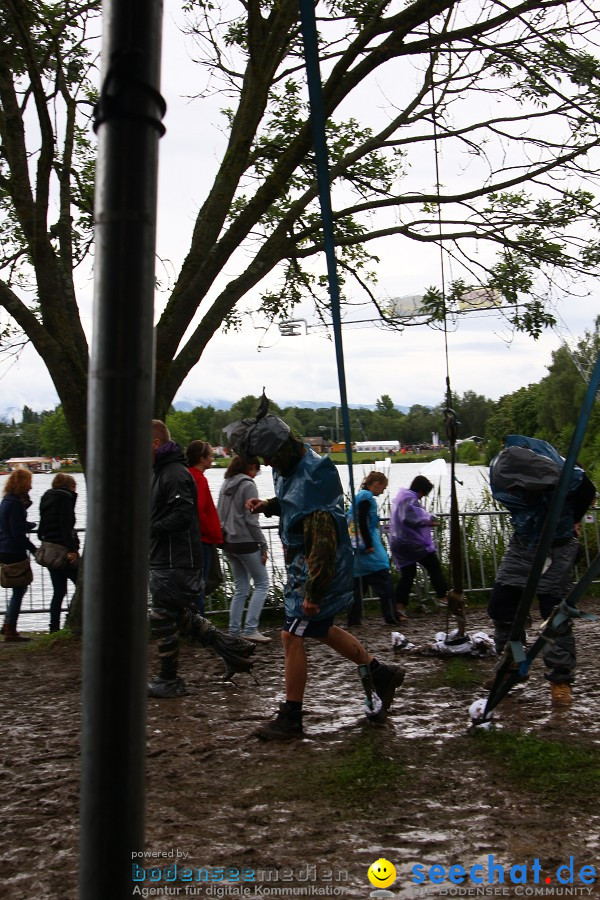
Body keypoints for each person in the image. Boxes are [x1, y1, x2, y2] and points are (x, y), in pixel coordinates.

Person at [224, 400, 405, 741]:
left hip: (317, 570)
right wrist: (269, 505)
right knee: (320, 630)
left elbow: (322, 541)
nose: (264, 464)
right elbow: (294, 502)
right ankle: (381, 672)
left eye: (267, 458)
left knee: (291, 636)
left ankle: (291, 717)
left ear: (280, 450)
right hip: (306, 567)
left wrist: (314, 592)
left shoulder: (312, 478)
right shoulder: (292, 466)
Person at [148, 420, 255, 698]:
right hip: (167, 557)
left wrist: (146, 529)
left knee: (161, 616)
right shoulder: (161, 472)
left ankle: (169, 679)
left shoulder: (174, 474)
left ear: (155, 444)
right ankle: (233, 649)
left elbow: (183, 516)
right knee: (178, 615)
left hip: (177, 559)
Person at [487, 434, 596, 706]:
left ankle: (560, 680)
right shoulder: (505, 470)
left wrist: (572, 519)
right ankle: (511, 662)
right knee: (501, 606)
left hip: (557, 549)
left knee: (555, 615)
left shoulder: (569, 480)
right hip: (523, 546)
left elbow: (588, 491)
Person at [217, 455, 271, 643]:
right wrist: (263, 545)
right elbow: (251, 520)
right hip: (246, 542)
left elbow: (219, 514)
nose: (256, 475)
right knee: (263, 583)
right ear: (251, 467)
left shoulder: (226, 483)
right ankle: (250, 628)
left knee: (241, 588)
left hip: (228, 542)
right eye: (257, 470)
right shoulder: (248, 484)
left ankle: (233, 632)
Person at [346, 471, 404, 627]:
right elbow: (363, 522)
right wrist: (369, 544)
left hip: (357, 549)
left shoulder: (359, 496)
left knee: (358, 589)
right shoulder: (367, 498)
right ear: (377, 484)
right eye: (383, 487)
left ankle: (353, 620)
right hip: (368, 549)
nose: (383, 491)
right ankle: (391, 616)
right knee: (384, 582)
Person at [389, 475, 448, 613]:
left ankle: (399, 606)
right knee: (434, 567)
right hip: (413, 544)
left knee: (408, 574)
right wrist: (428, 520)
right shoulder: (410, 499)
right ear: (421, 490)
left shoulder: (401, 496)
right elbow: (410, 518)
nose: (422, 497)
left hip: (398, 542)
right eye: (424, 494)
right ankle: (443, 598)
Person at [37, 473, 80, 632]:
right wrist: (72, 550)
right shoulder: (65, 499)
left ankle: (53, 627)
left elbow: (41, 530)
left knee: (58, 591)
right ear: (70, 486)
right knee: (82, 584)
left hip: (50, 551)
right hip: (64, 550)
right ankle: (73, 619)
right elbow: (65, 526)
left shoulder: (46, 498)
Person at [186, 440, 223, 615]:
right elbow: (199, 511)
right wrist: (213, 532)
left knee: (193, 583)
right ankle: (199, 625)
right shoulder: (199, 479)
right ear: (202, 459)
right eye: (209, 455)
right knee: (200, 583)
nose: (212, 458)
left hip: (192, 539)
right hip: (203, 540)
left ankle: (190, 623)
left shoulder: (188, 475)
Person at [0, 468, 37, 642]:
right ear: (23, 483)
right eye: (29, 482)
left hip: (4, 547)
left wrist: (28, 524)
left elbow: (12, 525)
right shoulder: (15, 503)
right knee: (19, 589)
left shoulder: (6, 501)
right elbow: (16, 532)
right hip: (13, 550)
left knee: (18, 589)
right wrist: (33, 549)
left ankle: (7, 624)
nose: (31, 486)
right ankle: (10, 629)